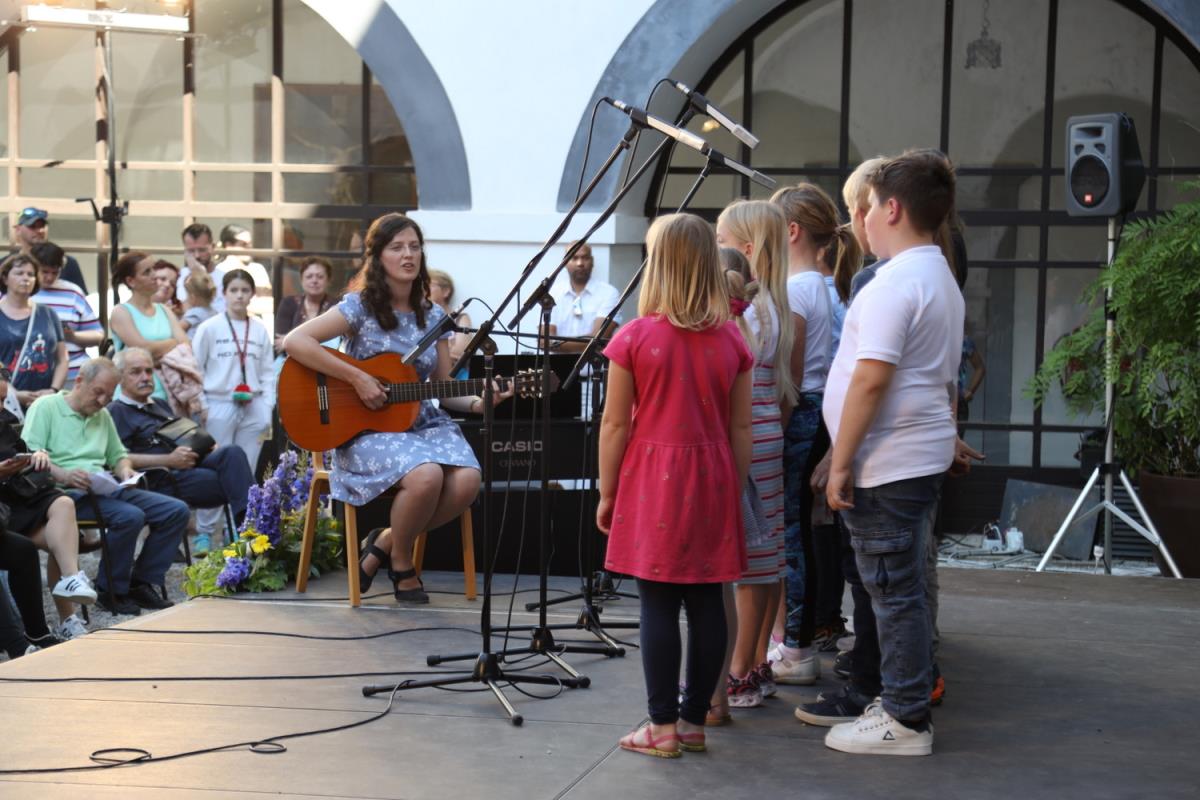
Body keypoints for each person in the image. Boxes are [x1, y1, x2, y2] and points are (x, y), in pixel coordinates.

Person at [285, 213, 509, 603]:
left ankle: (385, 542)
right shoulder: (359, 307)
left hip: (421, 423)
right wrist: (357, 378)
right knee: (426, 476)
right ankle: (403, 563)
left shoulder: (434, 317)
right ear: (378, 256)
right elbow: (295, 342)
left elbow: (445, 389)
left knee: (467, 481)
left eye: (414, 247)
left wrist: (480, 401)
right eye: (397, 247)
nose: (408, 255)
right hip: (365, 430)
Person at [821, 149, 965, 756]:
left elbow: (870, 380)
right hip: (909, 456)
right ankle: (902, 702)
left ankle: (904, 718)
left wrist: (841, 462)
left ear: (893, 208)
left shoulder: (898, 282)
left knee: (893, 592)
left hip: (888, 463)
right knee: (899, 589)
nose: (863, 219)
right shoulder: (935, 274)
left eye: (871, 205)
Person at [598, 213, 753, 759]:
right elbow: (741, 427)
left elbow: (615, 425)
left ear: (657, 265)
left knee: (658, 601)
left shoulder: (635, 337)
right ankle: (692, 722)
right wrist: (733, 487)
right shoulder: (731, 339)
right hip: (713, 475)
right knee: (707, 598)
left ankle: (661, 726)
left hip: (653, 480)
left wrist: (607, 492)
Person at [21, 358, 189, 617]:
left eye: (108, 396)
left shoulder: (103, 415)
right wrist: (64, 474)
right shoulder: (47, 407)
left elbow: (118, 455)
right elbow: (31, 455)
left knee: (175, 511)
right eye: (97, 392)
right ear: (79, 381)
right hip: (64, 495)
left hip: (104, 488)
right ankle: (110, 590)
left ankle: (140, 582)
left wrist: (124, 470)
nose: (102, 401)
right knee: (130, 517)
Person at [767, 183, 852, 686]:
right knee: (797, 530)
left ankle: (793, 643)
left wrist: (775, 427)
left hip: (801, 412)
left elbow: (792, 373)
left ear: (792, 231)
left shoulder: (798, 289)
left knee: (788, 533)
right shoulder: (820, 286)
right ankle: (794, 637)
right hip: (816, 411)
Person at [714, 201, 795, 712]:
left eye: (720, 240)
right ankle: (758, 661)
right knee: (766, 558)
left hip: (743, 436)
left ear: (746, 248)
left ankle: (739, 668)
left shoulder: (747, 310)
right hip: (768, 432)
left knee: (745, 564)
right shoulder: (775, 304)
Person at [108, 347, 253, 545]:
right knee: (239, 482)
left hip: (189, 465)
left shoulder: (159, 404)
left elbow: (181, 434)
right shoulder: (116, 411)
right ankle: (252, 532)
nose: (145, 377)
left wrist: (204, 444)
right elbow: (117, 457)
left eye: (149, 371)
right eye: (136, 372)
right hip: (159, 478)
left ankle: (249, 530)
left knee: (233, 453)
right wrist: (169, 460)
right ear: (120, 377)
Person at [1, 397, 96, 641]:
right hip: (5, 508)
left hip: (21, 495)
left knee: (64, 505)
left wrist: (36, 456)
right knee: (62, 539)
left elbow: (21, 452)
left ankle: (71, 583)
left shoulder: (4, 422)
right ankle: (66, 612)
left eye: (3, 399)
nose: (2, 406)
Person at [192, 270, 275, 482]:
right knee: (217, 466)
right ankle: (215, 507)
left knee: (248, 468)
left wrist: (267, 406)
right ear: (224, 293)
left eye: (245, 290)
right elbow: (195, 369)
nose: (239, 295)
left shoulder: (259, 329)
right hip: (218, 403)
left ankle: (245, 505)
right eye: (234, 290)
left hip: (254, 404)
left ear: (252, 294)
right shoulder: (209, 327)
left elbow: (268, 371)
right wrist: (203, 405)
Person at [109, 251, 190, 404]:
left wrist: (156, 352)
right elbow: (143, 350)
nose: (154, 275)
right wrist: (173, 343)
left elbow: (186, 345)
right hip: (132, 399)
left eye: (153, 269)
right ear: (131, 281)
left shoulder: (164, 310)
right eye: (147, 272)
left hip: (168, 395)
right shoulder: (121, 312)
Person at [30, 242, 105, 386]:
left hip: (73, 371)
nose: (50, 278)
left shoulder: (73, 292)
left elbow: (98, 335)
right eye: (44, 272)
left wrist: (72, 336)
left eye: (55, 272)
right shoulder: (19, 292)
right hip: (30, 372)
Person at [1, 254, 69, 408]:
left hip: (44, 401)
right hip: (5, 402)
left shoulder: (48, 313)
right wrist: (12, 393)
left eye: (30, 274)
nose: (26, 278)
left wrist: (53, 390)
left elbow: (62, 358)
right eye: (19, 273)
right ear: (5, 278)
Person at [544, 242, 622, 352]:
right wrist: (585, 343)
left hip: (593, 363)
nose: (580, 263)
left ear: (592, 261)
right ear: (565, 263)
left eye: (585, 258)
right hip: (556, 363)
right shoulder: (553, 293)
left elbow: (598, 339)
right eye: (574, 258)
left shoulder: (609, 293)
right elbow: (543, 340)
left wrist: (554, 344)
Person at [11, 207, 87, 293]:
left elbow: (81, 295)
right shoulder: (7, 263)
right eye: (32, 226)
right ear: (18, 229)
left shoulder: (67, 262)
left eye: (42, 226)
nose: (39, 230)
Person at [274, 257, 337, 354]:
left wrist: (292, 342)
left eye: (320, 277)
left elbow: (335, 345)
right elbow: (280, 344)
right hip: (291, 361)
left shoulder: (336, 306)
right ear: (301, 280)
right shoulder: (288, 303)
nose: (314, 280)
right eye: (309, 276)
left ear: (328, 280)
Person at [215, 224, 273, 320]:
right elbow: (223, 305)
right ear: (228, 246)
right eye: (243, 244)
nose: (249, 248)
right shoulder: (219, 271)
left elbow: (269, 302)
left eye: (250, 244)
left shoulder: (257, 269)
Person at [427, 269, 472, 377]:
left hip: (456, 377)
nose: (424, 290)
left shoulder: (461, 318)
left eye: (429, 284)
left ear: (446, 291)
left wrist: (429, 355)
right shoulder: (420, 319)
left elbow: (460, 352)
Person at [175, 224, 226, 314]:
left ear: (212, 247)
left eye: (202, 250)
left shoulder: (225, 279)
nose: (197, 256)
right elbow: (186, 312)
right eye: (191, 251)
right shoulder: (179, 276)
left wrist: (200, 274)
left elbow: (217, 314)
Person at [180, 268, 218, 336]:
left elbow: (178, 329)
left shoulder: (194, 313)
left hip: (192, 342)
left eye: (187, 295)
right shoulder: (214, 312)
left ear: (193, 298)